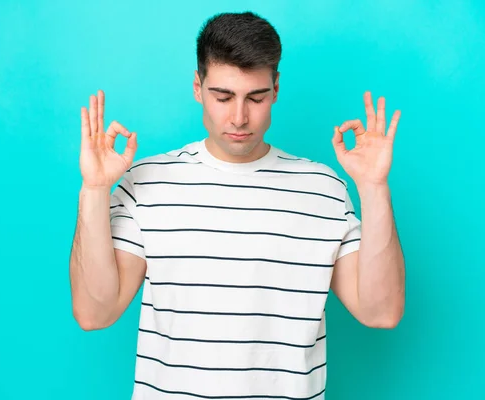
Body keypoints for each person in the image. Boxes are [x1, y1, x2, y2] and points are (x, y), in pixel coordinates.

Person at [69, 11, 405, 400]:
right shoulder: (147, 183)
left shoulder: (323, 188)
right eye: (222, 96)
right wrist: (94, 189)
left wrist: (374, 187)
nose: (239, 117)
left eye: (256, 97)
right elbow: (95, 313)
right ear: (198, 86)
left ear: (276, 88)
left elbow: (381, 312)